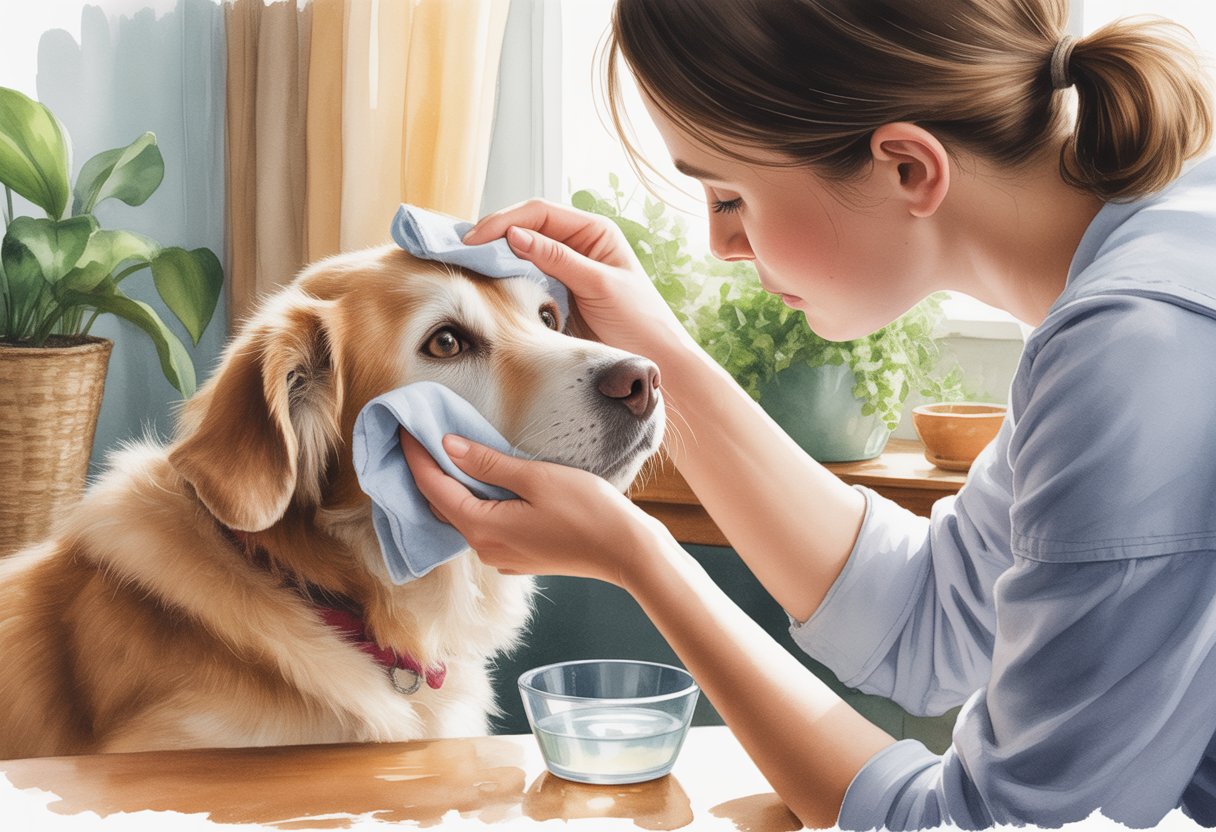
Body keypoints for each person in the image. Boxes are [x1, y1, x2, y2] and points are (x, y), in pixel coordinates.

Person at [401, 0, 1216, 827]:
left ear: (906, 167)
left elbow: (981, 824)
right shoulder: (1144, 272)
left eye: (728, 196)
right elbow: (931, 616)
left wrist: (638, 556)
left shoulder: (1140, 350)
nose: (721, 243)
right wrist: (656, 345)